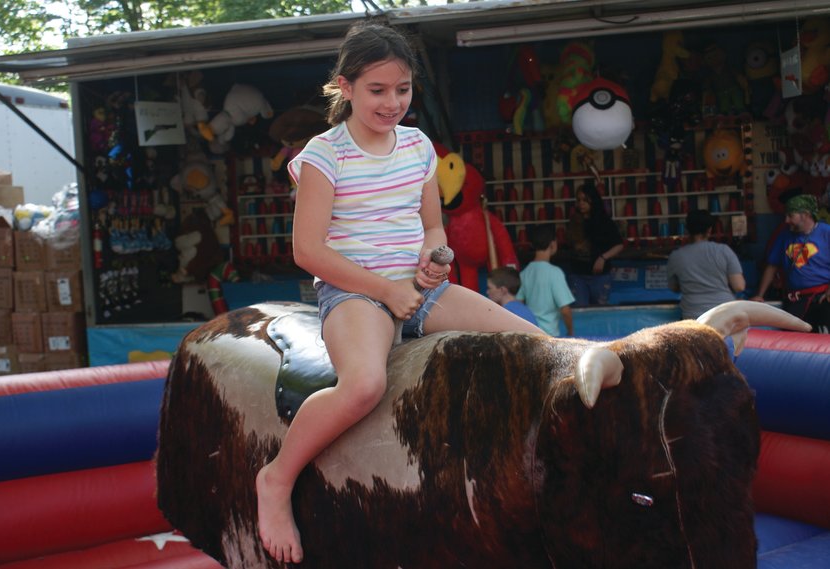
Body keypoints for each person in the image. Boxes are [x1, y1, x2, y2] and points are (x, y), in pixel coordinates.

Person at [256, 21, 545, 564]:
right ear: (345, 87)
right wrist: (385, 291)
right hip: (356, 293)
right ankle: (275, 479)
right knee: (364, 384)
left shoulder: (418, 147)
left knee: (538, 345)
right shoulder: (325, 155)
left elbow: (433, 227)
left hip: (419, 289)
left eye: (403, 89)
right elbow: (308, 252)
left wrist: (436, 259)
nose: (393, 102)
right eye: (377, 90)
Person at [751, 194, 830, 333]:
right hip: (795, 300)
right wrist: (760, 294)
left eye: (790, 215)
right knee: (793, 342)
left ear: (805, 215)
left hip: (822, 298)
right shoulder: (784, 235)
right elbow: (772, 266)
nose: (787, 220)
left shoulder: (826, 232)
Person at [666, 209, 746, 319]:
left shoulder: (676, 256)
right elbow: (739, 286)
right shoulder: (724, 250)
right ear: (709, 230)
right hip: (724, 314)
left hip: (693, 317)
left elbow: (674, 287)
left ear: (687, 230)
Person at [562, 183, 624, 306]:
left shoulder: (604, 221)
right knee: (580, 312)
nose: (581, 203)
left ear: (593, 200)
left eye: (585, 200)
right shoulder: (574, 221)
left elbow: (619, 245)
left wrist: (602, 258)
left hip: (599, 276)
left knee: (599, 312)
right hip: (577, 275)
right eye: (578, 200)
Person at [517, 225, 575, 336]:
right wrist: (571, 333)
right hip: (550, 337)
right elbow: (565, 310)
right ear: (553, 244)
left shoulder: (524, 273)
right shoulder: (555, 272)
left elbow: (518, 304)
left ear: (532, 245)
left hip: (531, 335)